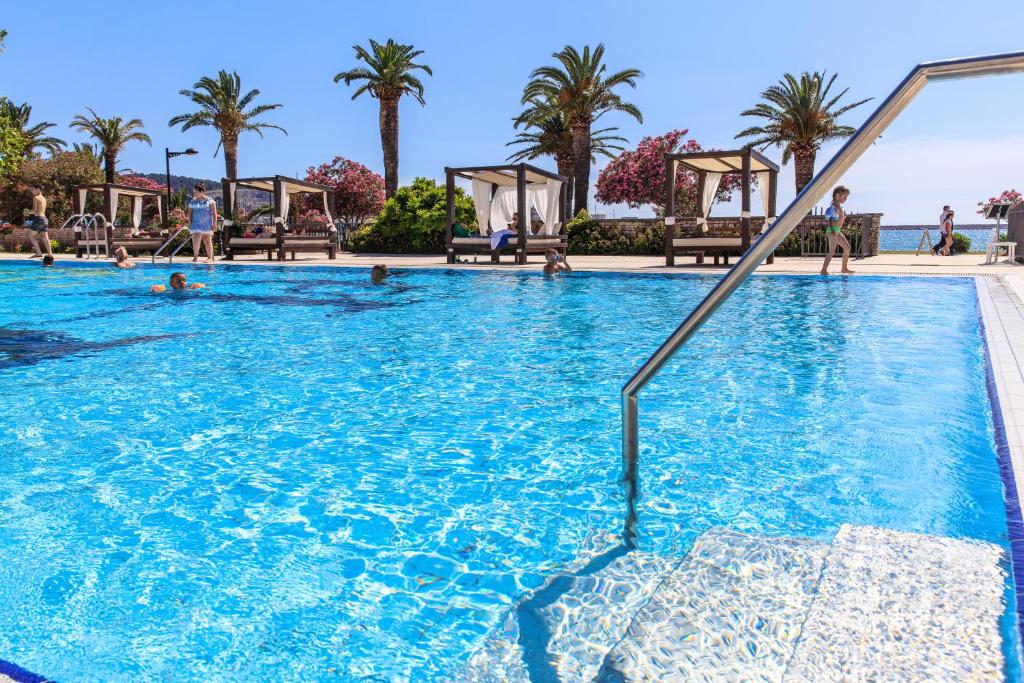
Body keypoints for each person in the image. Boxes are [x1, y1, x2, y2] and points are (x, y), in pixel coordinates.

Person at [821, 186, 855, 275]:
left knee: (847, 248)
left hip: (837, 230)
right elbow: (830, 219)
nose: (846, 199)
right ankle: (823, 270)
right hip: (833, 231)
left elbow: (839, 219)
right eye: (844, 197)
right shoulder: (834, 207)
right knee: (832, 251)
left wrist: (843, 217)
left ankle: (844, 268)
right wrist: (833, 230)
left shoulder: (840, 207)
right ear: (837, 196)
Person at [187, 182, 217, 264]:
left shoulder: (210, 201)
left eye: (196, 192)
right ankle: (195, 257)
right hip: (196, 223)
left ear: (202, 192)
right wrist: (189, 223)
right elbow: (189, 213)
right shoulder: (192, 201)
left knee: (207, 240)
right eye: (194, 192)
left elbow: (214, 213)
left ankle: (209, 258)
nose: (195, 194)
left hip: (207, 223)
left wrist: (214, 224)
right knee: (196, 239)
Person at [23, 188, 52, 259]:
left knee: (31, 235)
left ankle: (39, 253)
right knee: (45, 237)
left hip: (39, 219)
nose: (32, 191)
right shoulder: (44, 199)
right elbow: (39, 210)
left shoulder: (35, 197)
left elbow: (34, 210)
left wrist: (27, 212)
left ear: (38, 189)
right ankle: (50, 254)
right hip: (45, 219)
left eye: (33, 189)